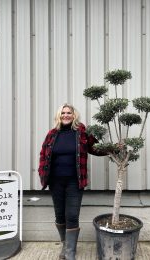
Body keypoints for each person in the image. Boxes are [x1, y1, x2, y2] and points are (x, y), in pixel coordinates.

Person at [38, 103, 106, 260]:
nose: (66, 115)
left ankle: (70, 253)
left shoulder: (82, 132)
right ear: (59, 115)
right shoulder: (52, 134)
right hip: (55, 182)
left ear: (74, 115)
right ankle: (65, 245)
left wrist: (113, 149)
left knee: (72, 215)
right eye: (63, 113)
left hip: (75, 182)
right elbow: (43, 154)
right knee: (60, 215)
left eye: (69, 112)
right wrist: (43, 173)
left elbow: (95, 148)